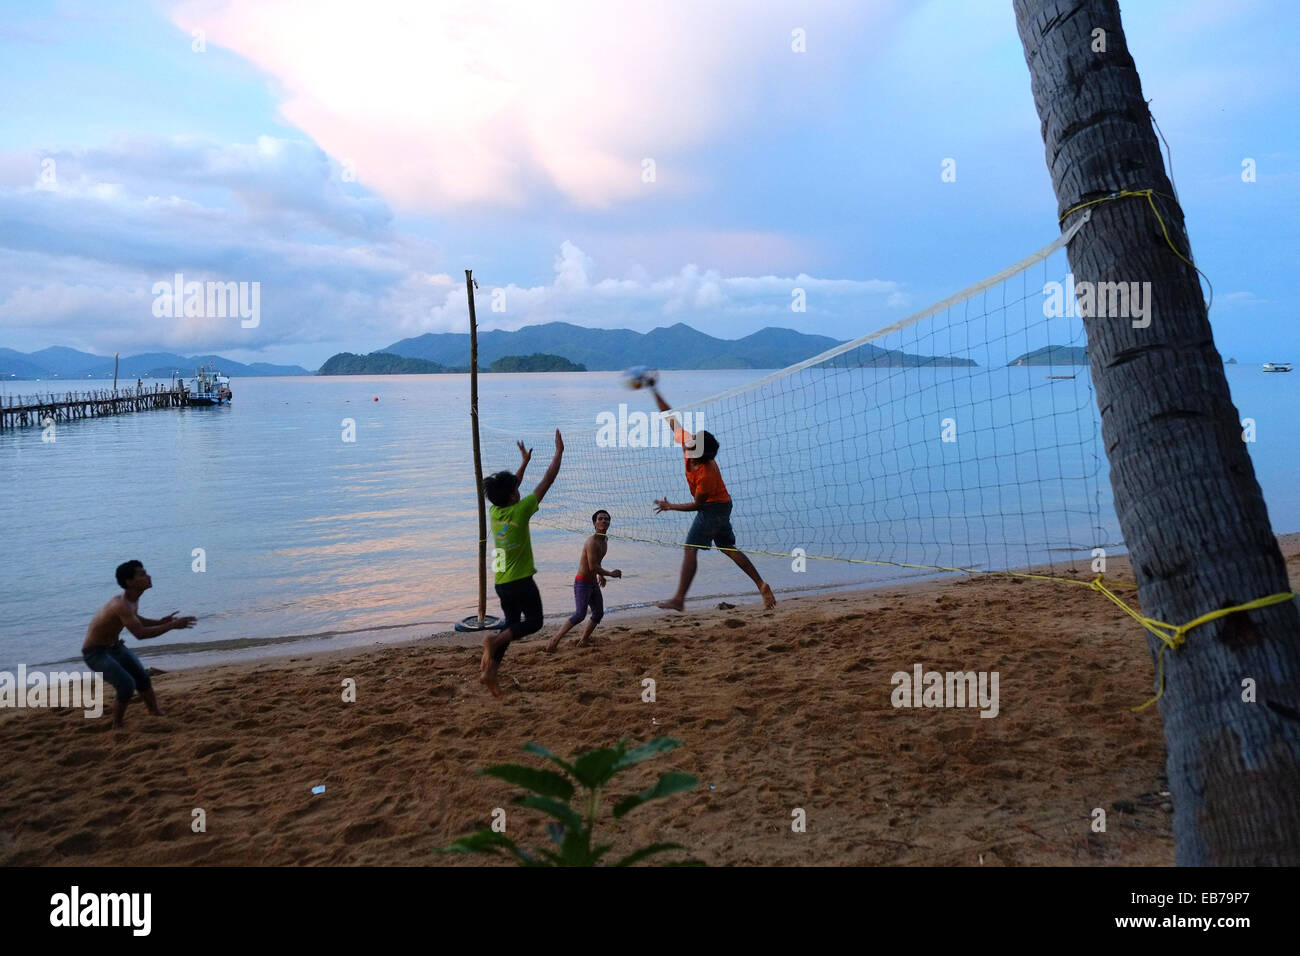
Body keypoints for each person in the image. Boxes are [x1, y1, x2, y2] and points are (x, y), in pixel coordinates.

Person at [649, 386, 775, 612]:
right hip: (722, 505)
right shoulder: (690, 447)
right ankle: (762, 584)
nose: (689, 440)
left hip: (714, 508)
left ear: (699, 452)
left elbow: (698, 505)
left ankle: (679, 599)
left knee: (690, 548)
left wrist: (670, 506)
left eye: (694, 440)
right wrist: (654, 389)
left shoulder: (706, 474)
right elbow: (670, 418)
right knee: (727, 547)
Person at [480, 431, 564, 697]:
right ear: (514, 496)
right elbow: (547, 480)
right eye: (516, 489)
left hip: (501, 582)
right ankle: (493, 643)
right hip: (521, 581)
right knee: (535, 622)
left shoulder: (495, 511)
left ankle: (490, 673)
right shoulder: (522, 509)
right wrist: (559, 453)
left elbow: (510, 488)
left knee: (511, 624)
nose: (519, 490)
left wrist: (525, 462)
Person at [82, 560, 196, 728]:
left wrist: (159, 621)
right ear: (129, 582)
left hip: (115, 647)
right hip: (95, 653)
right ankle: (117, 724)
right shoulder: (121, 604)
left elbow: (137, 620)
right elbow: (140, 634)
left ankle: (154, 712)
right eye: (142, 574)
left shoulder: (132, 600)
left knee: (142, 678)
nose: (148, 576)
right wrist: (172, 626)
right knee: (127, 685)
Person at [545, 509, 621, 651]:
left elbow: (597, 562)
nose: (604, 521)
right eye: (600, 519)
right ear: (594, 523)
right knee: (580, 614)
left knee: (598, 613)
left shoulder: (605, 540)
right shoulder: (591, 542)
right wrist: (610, 573)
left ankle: (584, 640)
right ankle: (555, 639)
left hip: (593, 583)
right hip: (582, 582)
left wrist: (601, 575)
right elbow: (592, 567)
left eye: (606, 519)